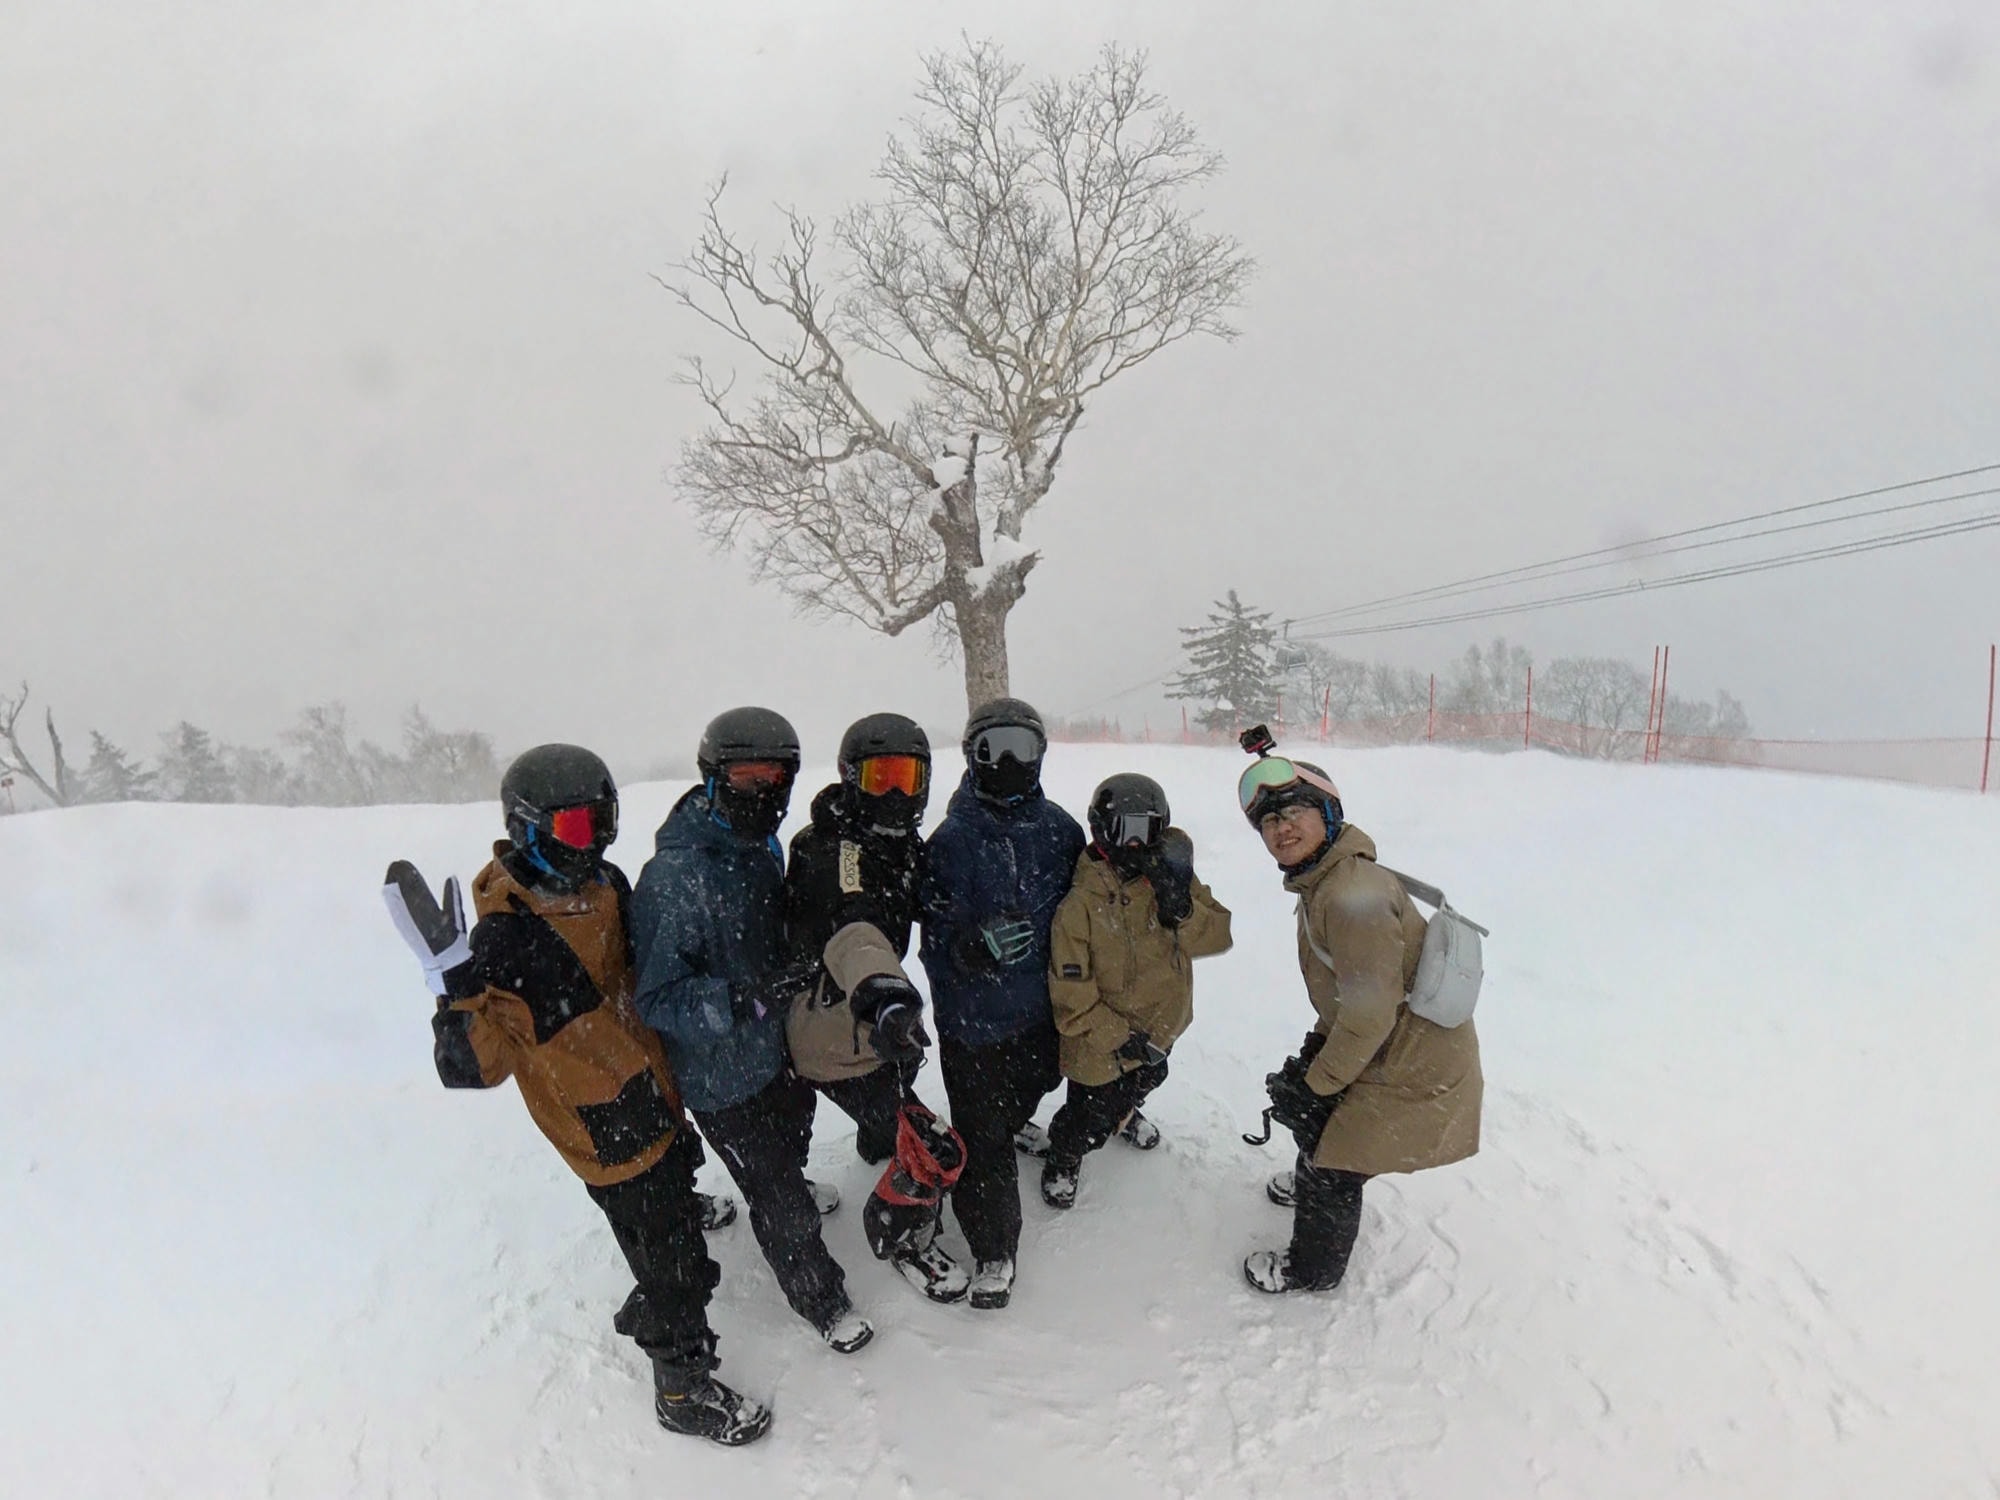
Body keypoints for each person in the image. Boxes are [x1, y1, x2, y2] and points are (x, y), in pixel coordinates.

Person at [381, 744, 771, 1446]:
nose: (594, 843)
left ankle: (671, 1231)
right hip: (605, 1129)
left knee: (675, 1169)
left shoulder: (606, 884)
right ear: (529, 829)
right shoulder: (506, 939)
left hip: (651, 1085)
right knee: (678, 1268)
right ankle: (681, 1384)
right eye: (576, 828)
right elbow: (477, 1068)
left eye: (604, 822)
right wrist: (454, 985)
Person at [629, 708, 873, 1353]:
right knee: (777, 1199)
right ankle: (821, 1299)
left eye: (776, 778)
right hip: (720, 1076)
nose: (762, 793)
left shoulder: (761, 847)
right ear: (713, 778)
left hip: (777, 1047)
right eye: (746, 778)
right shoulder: (673, 880)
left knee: (793, 1138)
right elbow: (655, 998)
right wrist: (740, 999)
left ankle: (790, 1182)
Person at [1236, 753, 1484, 1294]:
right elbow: (1353, 995)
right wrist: (1317, 1050)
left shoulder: (1351, 895)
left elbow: (1370, 1015)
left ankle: (1311, 1270)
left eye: (1295, 812)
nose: (1282, 829)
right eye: (1270, 821)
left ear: (1329, 814)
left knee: (1334, 1157)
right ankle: (1313, 1173)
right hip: (1392, 1042)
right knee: (1318, 1117)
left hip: (1412, 1062)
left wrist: (1317, 1084)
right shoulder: (1327, 880)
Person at [784, 712, 969, 1303]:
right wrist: (884, 995)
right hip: (834, 1025)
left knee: (900, 1073)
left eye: (906, 778)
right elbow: (854, 922)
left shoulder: (893, 843)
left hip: (867, 1010)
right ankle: (900, 1231)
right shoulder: (838, 851)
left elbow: (920, 899)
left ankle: (875, 1137)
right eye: (879, 778)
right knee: (930, 1149)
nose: (894, 794)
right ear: (850, 778)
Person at [919, 697, 1084, 1309]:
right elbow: (929, 939)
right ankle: (994, 1248)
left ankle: (1014, 1123)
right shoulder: (951, 841)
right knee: (982, 1139)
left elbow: (1092, 907)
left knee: (1033, 1090)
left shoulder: (1061, 831)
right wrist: (968, 949)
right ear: (972, 756)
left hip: (1042, 1011)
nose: (1009, 762)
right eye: (994, 748)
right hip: (974, 1023)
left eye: (1023, 747)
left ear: (1041, 754)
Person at [1041, 773, 1233, 1210]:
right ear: (1100, 831)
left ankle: (1126, 1111)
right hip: (1099, 1044)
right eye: (1122, 831)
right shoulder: (1079, 906)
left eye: (1145, 831)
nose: (1133, 845)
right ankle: (1065, 1154)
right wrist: (1120, 1038)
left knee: (1150, 1077)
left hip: (1161, 1027)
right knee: (1089, 1117)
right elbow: (1071, 996)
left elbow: (1218, 936)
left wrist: (1181, 905)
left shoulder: (1170, 878)